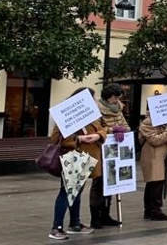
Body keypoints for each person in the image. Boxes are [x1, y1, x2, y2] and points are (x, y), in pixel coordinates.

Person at [48, 88, 105, 240]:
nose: (95, 101)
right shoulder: (68, 114)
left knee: (77, 192)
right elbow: (56, 139)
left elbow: (102, 130)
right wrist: (79, 139)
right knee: (66, 193)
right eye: (93, 98)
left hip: (88, 159)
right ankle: (56, 227)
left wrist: (97, 135)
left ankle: (75, 224)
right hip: (73, 158)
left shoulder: (91, 116)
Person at [92, 83, 128, 229]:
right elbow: (96, 129)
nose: (117, 100)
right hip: (101, 150)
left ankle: (106, 215)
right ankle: (96, 218)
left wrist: (123, 130)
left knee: (111, 182)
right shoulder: (97, 109)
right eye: (115, 97)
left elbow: (125, 125)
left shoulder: (119, 109)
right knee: (98, 184)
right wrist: (112, 130)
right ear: (108, 97)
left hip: (115, 151)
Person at [138, 112, 167, 221]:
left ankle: (150, 210)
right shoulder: (148, 122)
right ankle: (154, 210)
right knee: (155, 183)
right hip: (152, 155)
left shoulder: (162, 122)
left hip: (159, 156)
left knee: (155, 183)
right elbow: (155, 140)